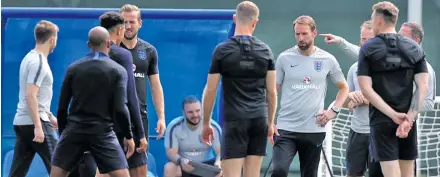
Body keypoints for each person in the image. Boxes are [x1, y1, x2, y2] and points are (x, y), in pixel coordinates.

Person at [322, 20, 437, 177]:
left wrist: (376, 100)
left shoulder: (423, 68)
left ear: (415, 41)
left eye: (402, 37)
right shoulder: (374, 62)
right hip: (361, 131)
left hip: (393, 130)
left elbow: (429, 104)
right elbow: (364, 54)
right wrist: (351, 98)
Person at [201, 1, 277, 177]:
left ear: (235, 18)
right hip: (259, 119)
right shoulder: (265, 51)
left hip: (235, 120)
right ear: (255, 22)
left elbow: (210, 90)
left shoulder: (222, 51)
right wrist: (270, 123)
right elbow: (271, 92)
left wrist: (206, 123)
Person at [50, 26, 135, 177]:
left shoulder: (73, 69)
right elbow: (120, 108)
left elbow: (62, 107)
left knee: (57, 174)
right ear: (109, 44)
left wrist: (64, 133)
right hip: (102, 132)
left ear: (89, 44)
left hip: (75, 129)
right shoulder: (118, 71)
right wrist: (128, 136)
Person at [357, 1, 429, 177]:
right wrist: (408, 119)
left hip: (382, 121)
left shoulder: (368, 48)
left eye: (373, 20)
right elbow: (423, 86)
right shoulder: (415, 48)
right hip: (408, 123)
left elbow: (366, 89)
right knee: (407, 174)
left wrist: (393, 115)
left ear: (379, 21)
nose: (372, 23)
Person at [272, 15, 349, 177]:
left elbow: (344, 87)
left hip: (314, 129)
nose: (301, 38)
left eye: (304, 34)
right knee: (279, 171)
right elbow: (273, 91)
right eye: (297, 34)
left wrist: (333, 111)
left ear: (314, 33)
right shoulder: (284, 58)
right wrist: (269, 121)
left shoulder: (328, 59)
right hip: (286, 129)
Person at [320, 20, 375, 177]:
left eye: (368, 39)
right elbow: (346, 101)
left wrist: (365, 98)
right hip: (356, 133)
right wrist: (350, 97)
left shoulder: (386, 67)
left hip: (379, 132)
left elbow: (390, 99)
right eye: (362, 38)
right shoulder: (354, 68)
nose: (363, 43)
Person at [120, 5, 167, 176]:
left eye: (132, 22)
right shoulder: (111, 50)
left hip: (139, 120)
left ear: (140, 23)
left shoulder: (148, 51)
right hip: (114, 120)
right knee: (109, 170)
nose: (128, 26)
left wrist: (161, 117)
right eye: (124, 22)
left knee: (139, 171)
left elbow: (155, 85)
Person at [9, 20, 59, 177]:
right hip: (35, 123)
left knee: (17, 171)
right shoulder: (38, 62)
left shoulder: (28, 58)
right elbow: (30, 94)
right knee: (60, 167)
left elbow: (34, 95)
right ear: (52, 39)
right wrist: (38, 125)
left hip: (23, 123)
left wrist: (50, 115)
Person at [163, 96, 222, 177]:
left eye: (198, 111)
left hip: (208, 166)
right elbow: (171, 153)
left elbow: (221, 152)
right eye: (190, 112)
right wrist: (181, 161)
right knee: (169, 167)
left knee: (224, 167)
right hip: (185, 166)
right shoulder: (175, 127)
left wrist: (218, 163)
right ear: (183, 113)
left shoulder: (212, 126)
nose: (195, 115)